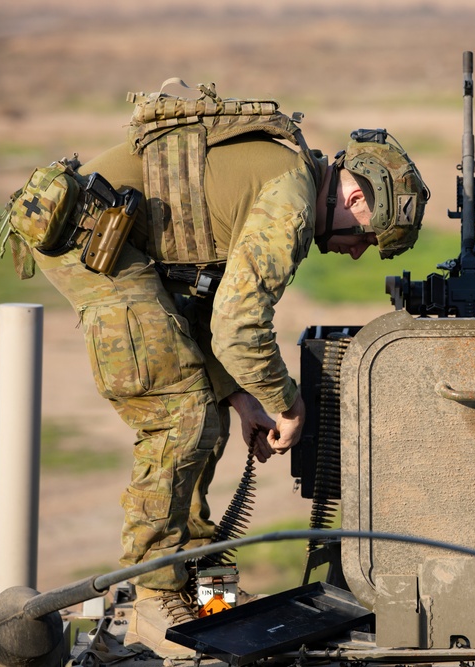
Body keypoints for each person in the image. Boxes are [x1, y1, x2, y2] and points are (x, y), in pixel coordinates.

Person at [27, 121, 428, 657]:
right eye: (365, 238)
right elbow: (238, 325)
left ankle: (200, 586)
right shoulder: (293, 199)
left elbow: (206, 305)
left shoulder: (292, 180)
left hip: (133, 251)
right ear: (354, 197)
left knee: (206, 413)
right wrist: (287, 403)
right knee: (181, 416)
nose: (357, 252)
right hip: (92, 241)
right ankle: (153, 597)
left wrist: (241, 397)